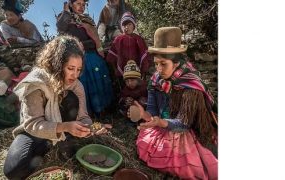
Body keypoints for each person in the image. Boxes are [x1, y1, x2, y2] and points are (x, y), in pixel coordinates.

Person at [3, 35, 111, 179]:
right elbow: (32, 124)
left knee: (70, 97)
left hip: (63, 129)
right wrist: (66, 127)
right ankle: (49, 144)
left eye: (79, 69)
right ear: (57, 64)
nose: (75, 74)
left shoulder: (77, 85)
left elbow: (83, 116)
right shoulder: (37, 83)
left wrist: (91, 127)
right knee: (13, 171)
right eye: (70, 68)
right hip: (34, 131)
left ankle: (62, 142)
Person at [130, 27, 218, 179]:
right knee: (147, 143)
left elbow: (184, 123)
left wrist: (160, 122)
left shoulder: (191, 85)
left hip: (187, 129)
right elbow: (153, 110)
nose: (158, 69)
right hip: (164, 122)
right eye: (156, 63)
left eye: (163, 64)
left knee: (186, 161)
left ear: (176, 63)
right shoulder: (156, 80)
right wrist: (145, 115)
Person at [56, 0, 114, 117]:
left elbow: (95, 40)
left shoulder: (87, 20)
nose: (81, 7)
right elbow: (61, 28)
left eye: (83, 4)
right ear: (71, 4)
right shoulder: (65, 18)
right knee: (82, 84)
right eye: (78, 3)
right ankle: (86, 113)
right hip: (76, 58)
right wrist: (66, 11)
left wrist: (84, 44)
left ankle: (103, 110)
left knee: (99, 80)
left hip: (92, 55)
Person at [106, 11, 150, 85]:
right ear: (121, 27)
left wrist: (144, 68)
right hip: (123, 71)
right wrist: (116, 69)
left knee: (138, 87)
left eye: (129, 24)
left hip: (137, 70)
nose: (126, 27)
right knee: (125, 87)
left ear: (134, 26)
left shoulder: (138, 39)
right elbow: (111, 57)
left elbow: (144, 55)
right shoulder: (118, 39)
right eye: (124, 25)